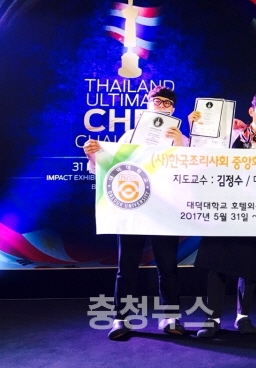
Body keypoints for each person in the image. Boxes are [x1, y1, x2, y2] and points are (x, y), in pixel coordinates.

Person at [83, 86, 200, 340]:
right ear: (148, 105)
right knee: (126, 267)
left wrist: (179, 143)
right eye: (157, 101)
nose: (161, 105)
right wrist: (92, 156)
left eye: (166, 103)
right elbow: (108, 166)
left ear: (173, 109)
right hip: (133, 209)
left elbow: (193, 171)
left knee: (168, 267)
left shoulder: (181, 138)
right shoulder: (129, 136)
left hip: (165, 211)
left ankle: (171, 317)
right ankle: (121, 318)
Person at [195, 91, 256, 338]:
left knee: (249, 264)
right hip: (223, 207)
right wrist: (197, 125)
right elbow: (204, 155)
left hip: (253, 210)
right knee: (216, 263)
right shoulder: (230, 135)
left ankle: (243, 317)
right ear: (251, 111)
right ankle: (212, 318)